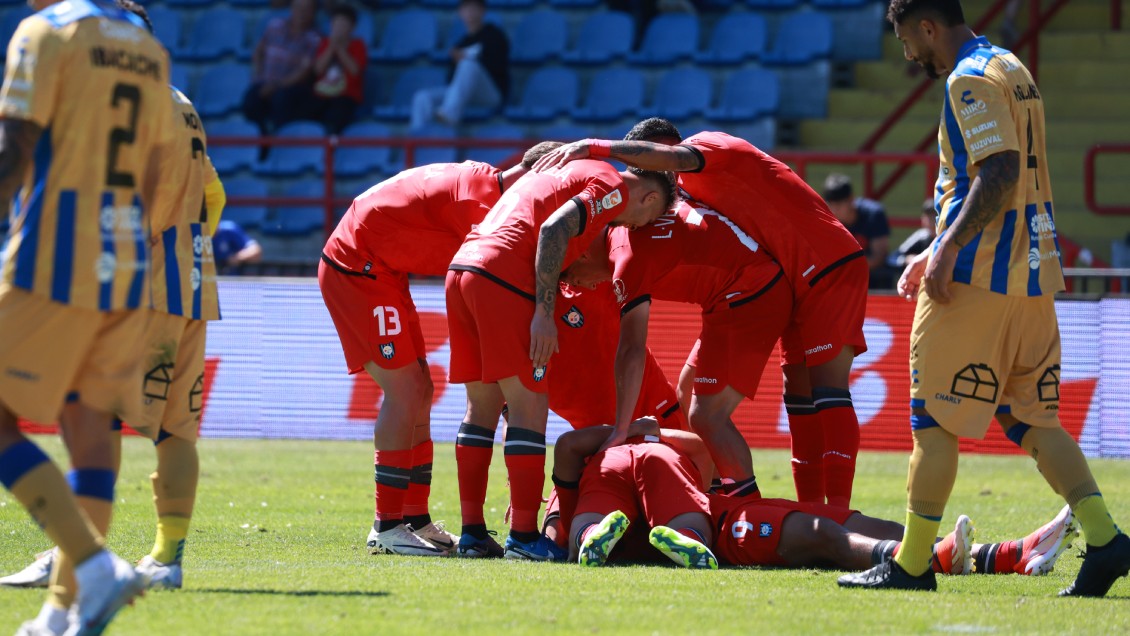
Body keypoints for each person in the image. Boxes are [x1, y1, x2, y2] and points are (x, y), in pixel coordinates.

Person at [839, 0, 1129, 596]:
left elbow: (996, 173)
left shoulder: (967, 79)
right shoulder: (1012, 66)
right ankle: (1106, 540)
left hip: (976, 279)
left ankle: (913, 564)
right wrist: (937, 243)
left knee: (932, 422)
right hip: (1031, 274)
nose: (906, 53)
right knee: (1031, 417)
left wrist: (944, 253)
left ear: (926, 26)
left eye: (905, 39)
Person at [535, 120, 868, 509]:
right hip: (779, 283)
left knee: (821, 393)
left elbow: (632, 349)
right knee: (795, 402)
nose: (648, 171)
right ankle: (812, 512)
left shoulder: (710, 146)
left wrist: (594, 147)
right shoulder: (673, 199)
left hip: (822, 263)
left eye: (649, 161)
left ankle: (812, 513)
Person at [0, 0, 177, 632]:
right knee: (88, 428)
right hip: (127, 259)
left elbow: (13, 146)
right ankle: (58, 615)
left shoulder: (47, 33)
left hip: (53, 254)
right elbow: (160, 164)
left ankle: (93, 567)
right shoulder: (144, 46)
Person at [319, 144, 563, 557]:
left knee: (421, 389)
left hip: (381, 270)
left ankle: (414, 519)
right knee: (406, 391)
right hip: (358, 266)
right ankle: (387, 526)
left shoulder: (486, 187)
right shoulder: (486, 208)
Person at [445, 160, 674, 561]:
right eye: (643, 220)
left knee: (480, 408)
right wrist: (542, 312)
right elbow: (553, 230)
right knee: (528, 408)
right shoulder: (610, 183)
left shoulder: (566, 174)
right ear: (648, 197)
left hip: (464, 264)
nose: (632, 229)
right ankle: (522, 537)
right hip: (506, 275)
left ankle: (473, 535)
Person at [559, 425, 1080, 577]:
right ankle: (685, 541)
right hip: (724, 527)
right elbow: (699, 452)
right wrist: (636, 432)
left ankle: (1007, 554)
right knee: (824, 536)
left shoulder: (579, 478)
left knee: (856, 520)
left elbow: (566, 453)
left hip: (716, 512)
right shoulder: (638, 454)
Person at [559, 197, 792, 499]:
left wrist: (620, 429)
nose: (582, 286)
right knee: (688, 390)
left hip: (748, 292)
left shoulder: (625, 258)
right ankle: (714, 499)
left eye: (573, 276)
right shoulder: (626, 225)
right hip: (738, 290)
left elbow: (632, 349)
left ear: (586, 254)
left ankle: (745, 513)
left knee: (707, 416)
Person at [411, 0, 509, 129]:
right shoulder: (461, 44)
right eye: (465, 8)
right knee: (422, 97)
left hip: (490, 93)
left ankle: (448, 116)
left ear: (483, 11)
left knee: (468, 64)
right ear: (460, 12)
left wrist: (467, 59)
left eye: (474, 8)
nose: (469, 12)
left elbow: (499, 66)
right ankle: (417, 141)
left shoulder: (494, 35)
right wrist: (456, 62)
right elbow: (453, 80)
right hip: (462, 96)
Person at [242, 0, 322, 137]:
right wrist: (259, 74)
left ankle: (283, 144)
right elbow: (259, 50)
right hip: (265, 81)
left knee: (281, 101)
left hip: (292, 86)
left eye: (307, 9)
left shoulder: (314, 38)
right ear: (291, 7)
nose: (301, 13)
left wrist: (277, 86)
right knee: (250, 100)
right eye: (298, 7)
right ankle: (262, 141)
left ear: (314, 13)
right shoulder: (275, 25)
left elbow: (304, 71)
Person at [822, 173, 891, 288]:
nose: (834, 209)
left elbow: (878, 257)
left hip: (875, 285)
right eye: (831, 204)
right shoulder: (827, 217)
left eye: (838, 204)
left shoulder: (873, 214)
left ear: (851, 199)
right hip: (843, 286)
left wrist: (843, 265)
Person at [311, 4, 367, 134]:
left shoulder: (358, 45)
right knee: (307, 108)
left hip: (347, 95)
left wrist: (340, 49)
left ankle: (337, 147)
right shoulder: (325, 43)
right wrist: (331, 47)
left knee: (340, 109)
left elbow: (355, 71)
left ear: (353, 27)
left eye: (343, 24)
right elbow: (318, 70)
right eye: (335, 23)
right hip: (322, 92)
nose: (338, 27)